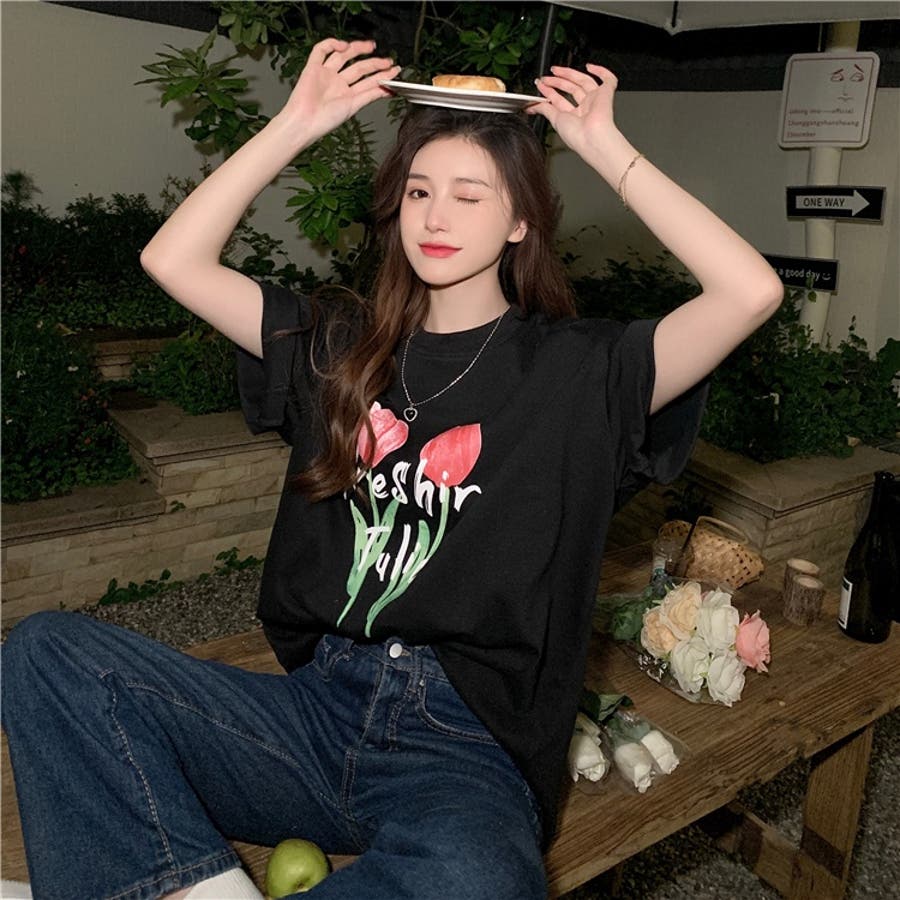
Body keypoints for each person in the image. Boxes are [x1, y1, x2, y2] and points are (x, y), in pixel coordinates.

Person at [1, 37, 783, 900]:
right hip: (315, 717)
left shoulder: (577, 372)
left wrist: (604, 146)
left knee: (477, 879)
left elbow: (748, 291)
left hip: (464, 750)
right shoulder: (341, 347)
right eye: (418, 191)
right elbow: (171, 260)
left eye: (469, 195)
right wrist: (298, 122)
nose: (435, 217)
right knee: (47, 656)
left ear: (520, 221)